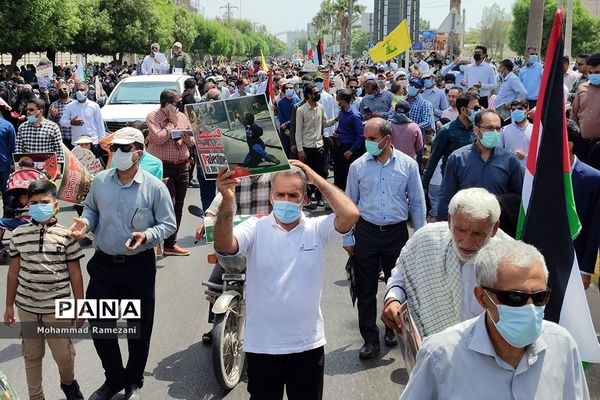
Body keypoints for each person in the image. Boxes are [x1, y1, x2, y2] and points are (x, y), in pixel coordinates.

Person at [213, 161, 360, 400]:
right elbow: (225, 245)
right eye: (280, 194)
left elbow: (350, 214)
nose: (286, 200)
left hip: (307, 346)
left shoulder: (316, 228)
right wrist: (227, 200)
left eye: (293, 195)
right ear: (271, 197)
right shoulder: (255, 227)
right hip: (262, 347)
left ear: (304, 199)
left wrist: (314, 176)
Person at [399, 240, 590, 400]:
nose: (530, 308)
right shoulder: (440, 356)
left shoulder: (562, 345)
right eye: (516, 298)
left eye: (540, 297)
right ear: (482, 298)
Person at [68, 128, 176, 400]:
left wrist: (147, 235)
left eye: (125, 149)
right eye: (115, 148)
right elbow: (91, 210)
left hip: (138, 266)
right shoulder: (101, 181)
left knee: (138, 328)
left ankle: (133, 381)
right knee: (101, 323)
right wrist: (85, 223)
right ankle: (114, 378)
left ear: (138, 152)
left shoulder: (154, 187)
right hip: (104, 265)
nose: (118, 153)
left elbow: (168, 224)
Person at [345, 117, 426, 359]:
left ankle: (392, 329)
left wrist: (420, 238)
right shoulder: (358, 166)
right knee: (366, 289)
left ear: (387, 139)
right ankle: (370, 338)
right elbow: (349, 203)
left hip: (396, 234)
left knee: (399, 287)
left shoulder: (408, 165)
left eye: (372, 139)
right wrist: (348, 237)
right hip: (366, 233)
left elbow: (418, 204)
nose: (367, 143)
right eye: (366, 138)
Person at [382, 187, 510, 337]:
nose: (467, 242)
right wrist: (393, 298)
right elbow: (402, 276)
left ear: (494, 228)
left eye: (477, 233)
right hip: (432, 351)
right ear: (450, 220)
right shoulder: (426, 240)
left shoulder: (510, 259)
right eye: (460, 230)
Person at [4, 179, 85, 400]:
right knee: (31, 356)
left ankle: (68, 383)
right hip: (27, 307)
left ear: (55, 203)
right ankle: (36, 396)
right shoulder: (19, 234)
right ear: (27, 205)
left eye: (44, 201)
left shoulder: (67, 235)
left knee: (64, 356)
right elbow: (13, 272)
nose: (39, 206)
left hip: (57, 308)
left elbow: (75, 274)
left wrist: (80, 306)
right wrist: (9, 305)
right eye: (34, 202)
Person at [436, 110, 523, 220]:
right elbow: (446, 196)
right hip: (465, 225)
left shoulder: (510, 160)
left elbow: (518, 198)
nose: (495, 133)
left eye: (498, 128)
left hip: (499, 226)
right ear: (476, 130)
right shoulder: (457, 158)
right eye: (490, 128)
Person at [146, 89, 194, 256]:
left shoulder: (182, 116)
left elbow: (192, 141)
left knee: (179, 205)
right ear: (166, 104)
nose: (179, 106)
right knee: (167, 204)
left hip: (182, 165)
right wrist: (171, 124)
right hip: (163, 166)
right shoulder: (153, 117)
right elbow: (158, 138)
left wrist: (186, 137)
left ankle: (171, 243)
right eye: (176, 103)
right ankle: (157, 240)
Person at [422, 92, 480, 190]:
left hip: (474, 184)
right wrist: (424, 187)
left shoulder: (478, 130)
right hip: (452, 185)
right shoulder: (446, 131)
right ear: (463, 110)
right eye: (475, 108)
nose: (478, 111)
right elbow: (434, 159)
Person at [567, 120, 600, 290]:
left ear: (569, 145)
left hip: (575, 260)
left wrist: (585, 269)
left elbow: (595, 227)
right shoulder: (538, 173)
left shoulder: (593, 178)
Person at [295, 83, 337, 210]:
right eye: (315, 93)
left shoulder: (320, 107)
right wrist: (300, 150)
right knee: (306, 174)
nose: (318, 95)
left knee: (321, 173)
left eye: (318, 92)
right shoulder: (301, 110)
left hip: (319, 145)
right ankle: (307, 198)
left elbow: (325, 123)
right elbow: (298, 131)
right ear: (308, 95)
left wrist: (336, 119)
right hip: (306, 147)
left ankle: (319, 197)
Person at [570, 52, 600, 170]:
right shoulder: (582, 88)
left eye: (597, 73)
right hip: (582, 143)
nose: (593, 76)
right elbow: (574, 115)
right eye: (590, 73)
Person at [16, 98, 65, 168]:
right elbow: (19, 149)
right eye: (27, 109)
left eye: (31, 110)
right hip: (28, 168)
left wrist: (59, 167)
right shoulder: (22, 127)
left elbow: (59, 149)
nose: (28, 112)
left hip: (48, 168)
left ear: (40, 111)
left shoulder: (53, 127)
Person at [330, 89, 363, 190]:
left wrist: (351, 150)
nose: (337, 102)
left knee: (347, 178)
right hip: (339, 147)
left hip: (348, 150)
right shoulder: (342, 112)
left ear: (343, 101)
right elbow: (343, 128)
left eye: (339, 100)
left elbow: (360, 135)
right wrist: (337, 134)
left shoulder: (354, 115)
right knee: (338, 176)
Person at [59, 81, 105, 147]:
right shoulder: (70, 106)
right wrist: (71, 122)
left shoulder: (94, 106)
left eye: (82, 90)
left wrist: (102, 140)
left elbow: (100, 124)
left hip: (92, 142)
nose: (79, 92)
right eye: (77, 90)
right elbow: (62, 122)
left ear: (86, 91)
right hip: (77, 142)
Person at [500, 99, 532, 168]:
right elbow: (498, 151)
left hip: (531, 172)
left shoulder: (535, 129)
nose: (516, 111)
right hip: (510, 170)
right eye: (514, 110)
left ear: (527, 109)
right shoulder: (504, 130)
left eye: (520, 109)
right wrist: (512, 155)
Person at [276, 80, 300, 158]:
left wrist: (287, 124)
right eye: (287, 88)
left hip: (294, 129)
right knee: (285, 151)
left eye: (291, 88)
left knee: (294, 151)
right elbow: (280, 116)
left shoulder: (298, 102)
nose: (289, 90)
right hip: (284, 130)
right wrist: (285, 128)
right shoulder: (280, 102)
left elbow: (297, 117)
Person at [48, 81, 74, 148]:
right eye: (60, 90)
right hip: (60, 140)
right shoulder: (54, 105)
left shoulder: (75, 104)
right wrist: (53, 116)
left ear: (69, 90)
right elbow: (49, 123)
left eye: (64, 89)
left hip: (74, 138)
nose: (62, 91)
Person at [0, 114, 15, 209]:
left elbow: (14, 147)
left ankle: (8, 215)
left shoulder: (7, 126)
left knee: (6, 192)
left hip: (4, 166)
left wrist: (14, 164)